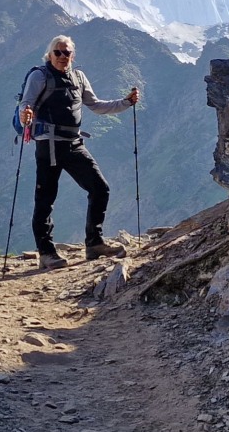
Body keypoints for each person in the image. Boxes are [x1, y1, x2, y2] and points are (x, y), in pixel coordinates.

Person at [18, 34, 139, 268]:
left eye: (67, 53)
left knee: (100, 189)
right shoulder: (39, 76)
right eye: (58, 52)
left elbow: (95, 105)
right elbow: (26, 103)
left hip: (74, 143)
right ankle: (46, 253)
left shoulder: (79, 77)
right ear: (50, 54)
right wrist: (26, 115)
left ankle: (94, 244)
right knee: (45, 199)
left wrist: (126, 102)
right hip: (49, 145)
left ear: (73, 55)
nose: (63, 57)